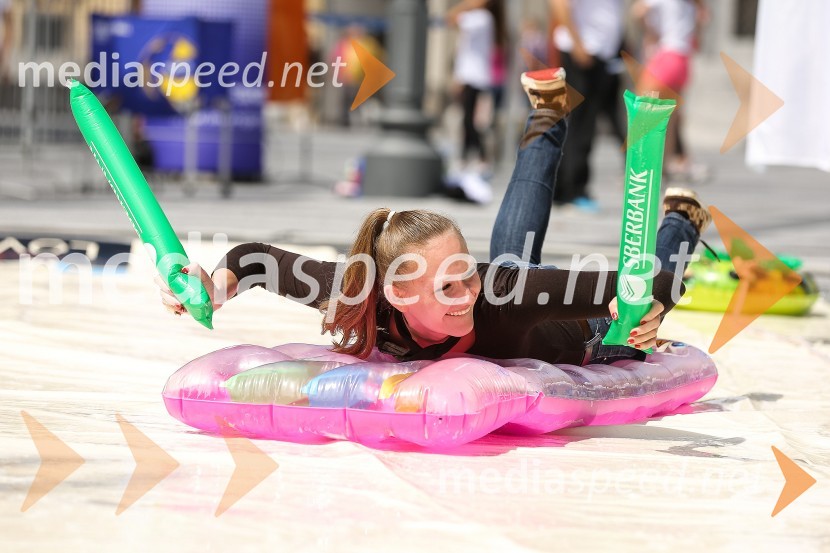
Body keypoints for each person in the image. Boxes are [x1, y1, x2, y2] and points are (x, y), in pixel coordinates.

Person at [157, 68, 712, 366]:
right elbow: (256, 259)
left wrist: (644, 306)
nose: (466, 293)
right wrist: (217, 286)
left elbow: (656, 281)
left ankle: (681, 220)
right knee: (511, 258)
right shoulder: (358, 293)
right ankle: (548, 113)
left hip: (586, 336)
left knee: (514, 270)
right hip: (513, 300)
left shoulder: (497, 294)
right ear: (396, 293)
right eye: (447, 285)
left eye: (465, 272)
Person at [549, 0, 626, 210]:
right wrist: (578, 45)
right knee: (579, 125)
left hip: (602, 56)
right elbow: (559, 4)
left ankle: (569, 188)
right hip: (583, 53)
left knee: (588, 124)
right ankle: (571, 189)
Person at [633, 0, 710, 183]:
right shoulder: (694, 5)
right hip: (683, 60)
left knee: (644, 113)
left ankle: (645, 170)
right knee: (670, 119)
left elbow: (637, 12)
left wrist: (652, 32)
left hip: (665, 56)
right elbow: (698, 39)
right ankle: (662, 170)